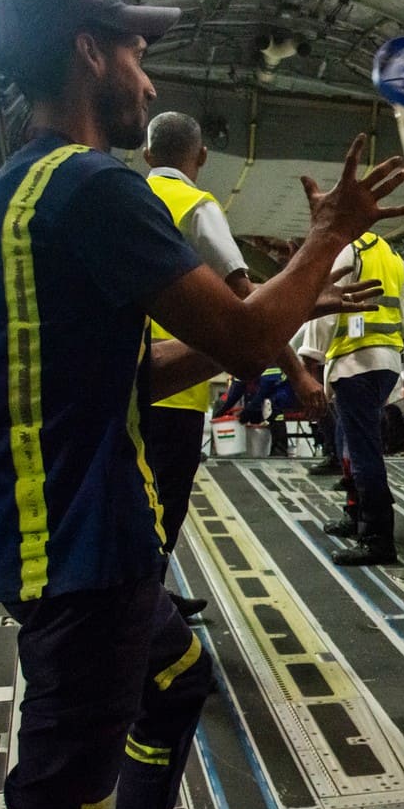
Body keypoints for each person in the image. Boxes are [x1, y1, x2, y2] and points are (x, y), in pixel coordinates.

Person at [0, 0, 404, 809]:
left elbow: (139, 366)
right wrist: (325, 239)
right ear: (87, 52)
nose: (145, 76)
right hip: (87, 561)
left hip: (55, 536)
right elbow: (244, 338)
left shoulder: (1, 201)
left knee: (179, 678)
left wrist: (279, 310)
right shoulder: (90, 187)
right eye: (133, 52)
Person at [138, 112, 324, 619]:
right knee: (165, 501)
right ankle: (147, 610)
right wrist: (296, 369)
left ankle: (145, 597)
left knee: (128, 500)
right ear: (201, 156)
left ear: (147, 155)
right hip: (178, 387)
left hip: (125, 380)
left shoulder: (128, 201)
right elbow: (245, 300)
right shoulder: (195, 205)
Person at [301, 230, 404, 565]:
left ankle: (378, 538)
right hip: (386, 364)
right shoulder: (394, 258)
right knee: (351, 445)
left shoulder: (348, 250)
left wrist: (310, 363)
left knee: (364, 452)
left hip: (356, 364)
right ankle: (356, 515)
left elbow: (324, 309)